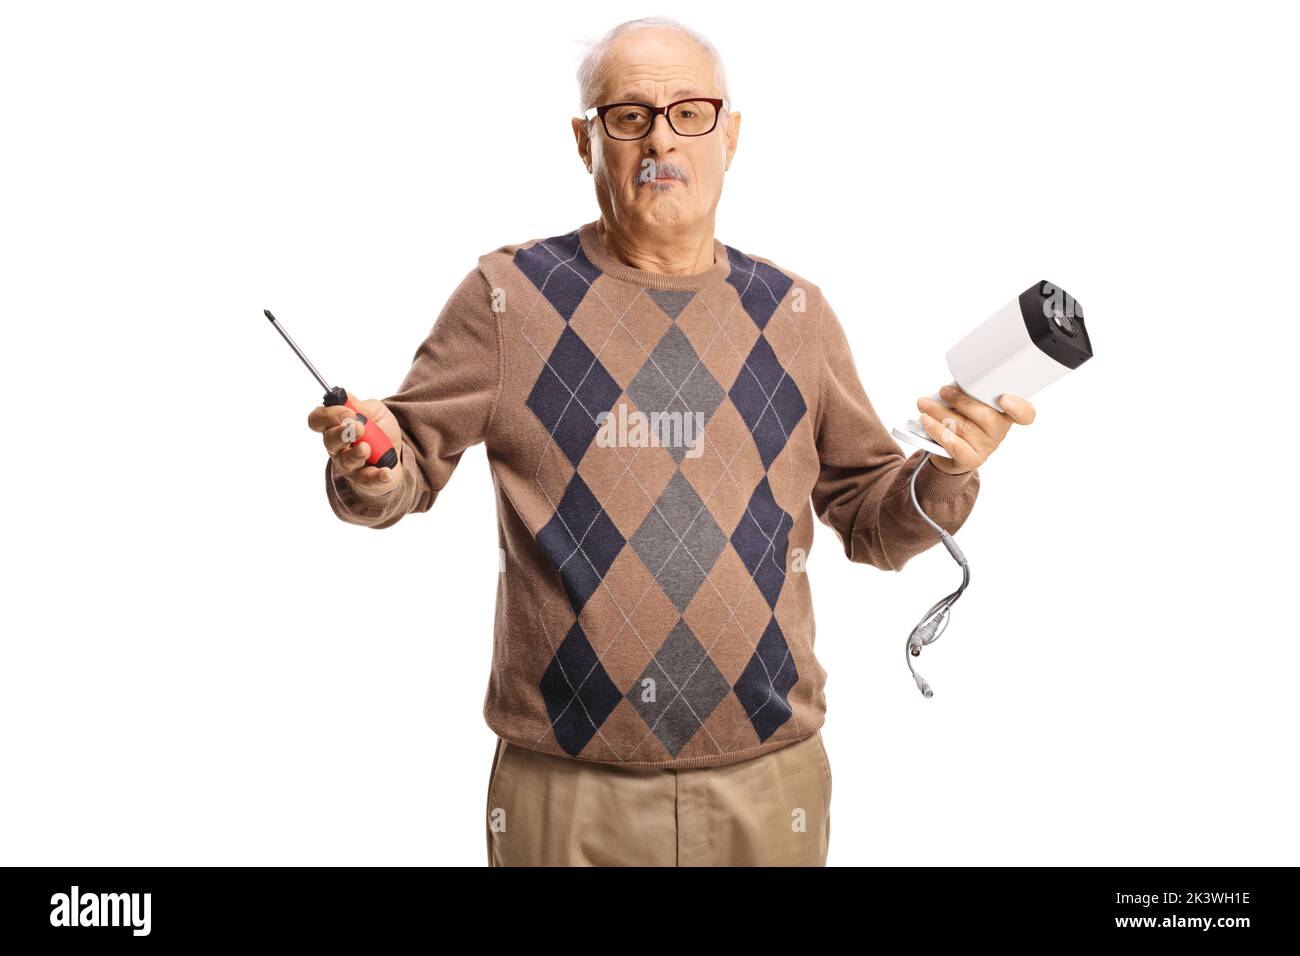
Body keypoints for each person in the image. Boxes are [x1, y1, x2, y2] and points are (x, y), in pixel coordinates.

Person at [308, 16, 1035, 866]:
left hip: (769, 779)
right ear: (586, 143)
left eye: (691, 112)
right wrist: (372, 458)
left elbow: (872, 520)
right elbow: (403, 462)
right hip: (564, 784)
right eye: (628, 116)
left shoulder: (794, 315)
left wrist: (948, 470)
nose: (661, 138)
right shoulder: (507, 298)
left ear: (732, 135)